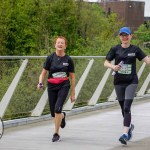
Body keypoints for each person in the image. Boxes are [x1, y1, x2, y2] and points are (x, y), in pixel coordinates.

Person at [104, 27, 150, 145]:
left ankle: (124, 134)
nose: (124, 37)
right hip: (118, 82)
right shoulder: (115, 49)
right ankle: (129, 127)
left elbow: (147, 60)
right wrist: (113, 67)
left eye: (127, 35)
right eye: (122, 35)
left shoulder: (135, 49)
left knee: (126, 107)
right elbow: (106, 62)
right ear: (120, 37)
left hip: (131, 81)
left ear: (131, 36)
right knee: (123, 108)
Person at [37, 36, 75, 142]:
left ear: (65, 46)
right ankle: (62, 116)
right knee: (53, 113)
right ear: (55, 45)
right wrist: (40, 82)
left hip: (64, 85)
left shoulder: (68, 60)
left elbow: (72, 77)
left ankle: (56, 133)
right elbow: (43, 73)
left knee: (58, 108)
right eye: (58, 43)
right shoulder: (50, 58)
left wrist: (73, 93)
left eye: (62, 43)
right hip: (52, 86)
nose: (60, 44)